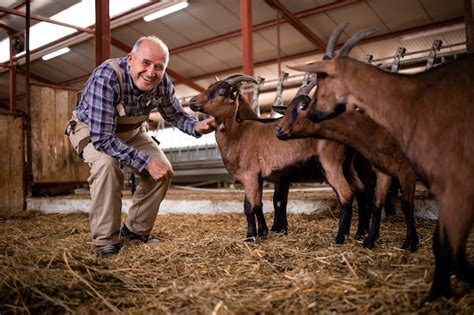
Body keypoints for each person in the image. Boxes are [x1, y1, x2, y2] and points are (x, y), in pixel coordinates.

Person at [66, 36, 215, 258]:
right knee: (107, 166)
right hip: (92, 130)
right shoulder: (107, 77)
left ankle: (136, 230)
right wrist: (145, 162)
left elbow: (175, 115)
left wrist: (197, 126)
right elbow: (103, 139)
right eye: (145, 63)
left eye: (158, 67)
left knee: (163, 170)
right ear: (131, 59)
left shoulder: (162, 83)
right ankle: (106, 241)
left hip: (132, 131)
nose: (151, 72)